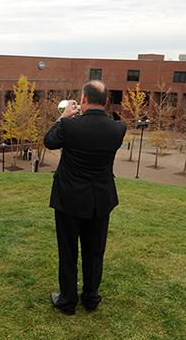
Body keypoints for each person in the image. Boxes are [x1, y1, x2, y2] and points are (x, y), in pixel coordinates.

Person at [44, 80, 126, 316]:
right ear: (107, 101)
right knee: (94, 252)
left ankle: (67, 301)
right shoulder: (118, 129)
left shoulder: (70, 126)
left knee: (68, 251)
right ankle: (91, 298)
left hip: (69, 199)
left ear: (82, 99)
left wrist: (64, 117)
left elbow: (49, 141)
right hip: (101, 200)